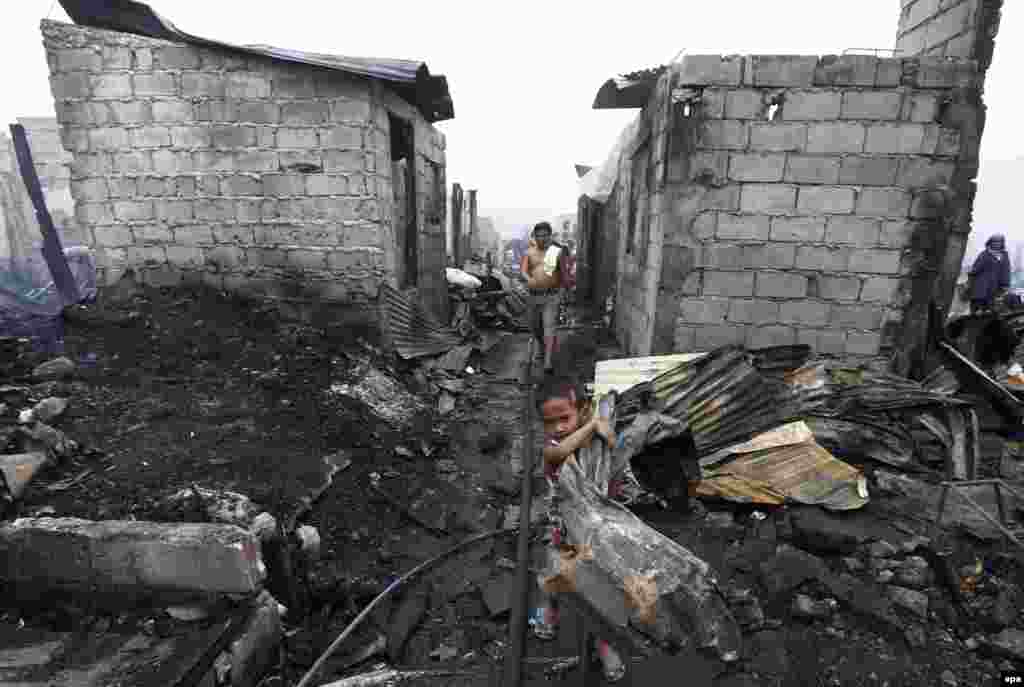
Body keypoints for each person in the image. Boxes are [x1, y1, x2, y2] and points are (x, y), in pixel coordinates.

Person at [532, 374, 628, 683]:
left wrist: (607, 432)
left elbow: (617, 450)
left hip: (598, 531)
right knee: (553, 573)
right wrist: (590, 426)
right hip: (564, 527)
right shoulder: (552, 447)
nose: (559, 426)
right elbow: (559, 454)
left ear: (580, 409)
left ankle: (604, 644)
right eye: (551, 422)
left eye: (565, 418)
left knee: (600, 591)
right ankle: (547, 610)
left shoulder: (595, 448)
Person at [521, 222, 564, 373]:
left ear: (549, 236)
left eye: (545, 235)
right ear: (535, 237)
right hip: (534, 297)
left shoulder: (556, 252)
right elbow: (524, 271)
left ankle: (547, 362)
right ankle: (542, 346)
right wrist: (529, 279)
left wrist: (562, 292)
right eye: (539, 235)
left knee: (549, 328)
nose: (542, 238)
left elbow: (563, 273)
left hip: (551, 296)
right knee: (536, 328)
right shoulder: (529, 253)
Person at [967, 234, 1011, 313]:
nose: (997, 244)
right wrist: (970, 277)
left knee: (992, 311)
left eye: (999, 242)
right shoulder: (984, 254)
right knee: (977, 311)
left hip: (995, 288)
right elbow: (976, 268)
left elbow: (1006, 270)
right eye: (995, 241)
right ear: (990, 242)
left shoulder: (1004, 255)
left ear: (1002, 243)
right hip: (980, 287)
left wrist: (1005, 284)